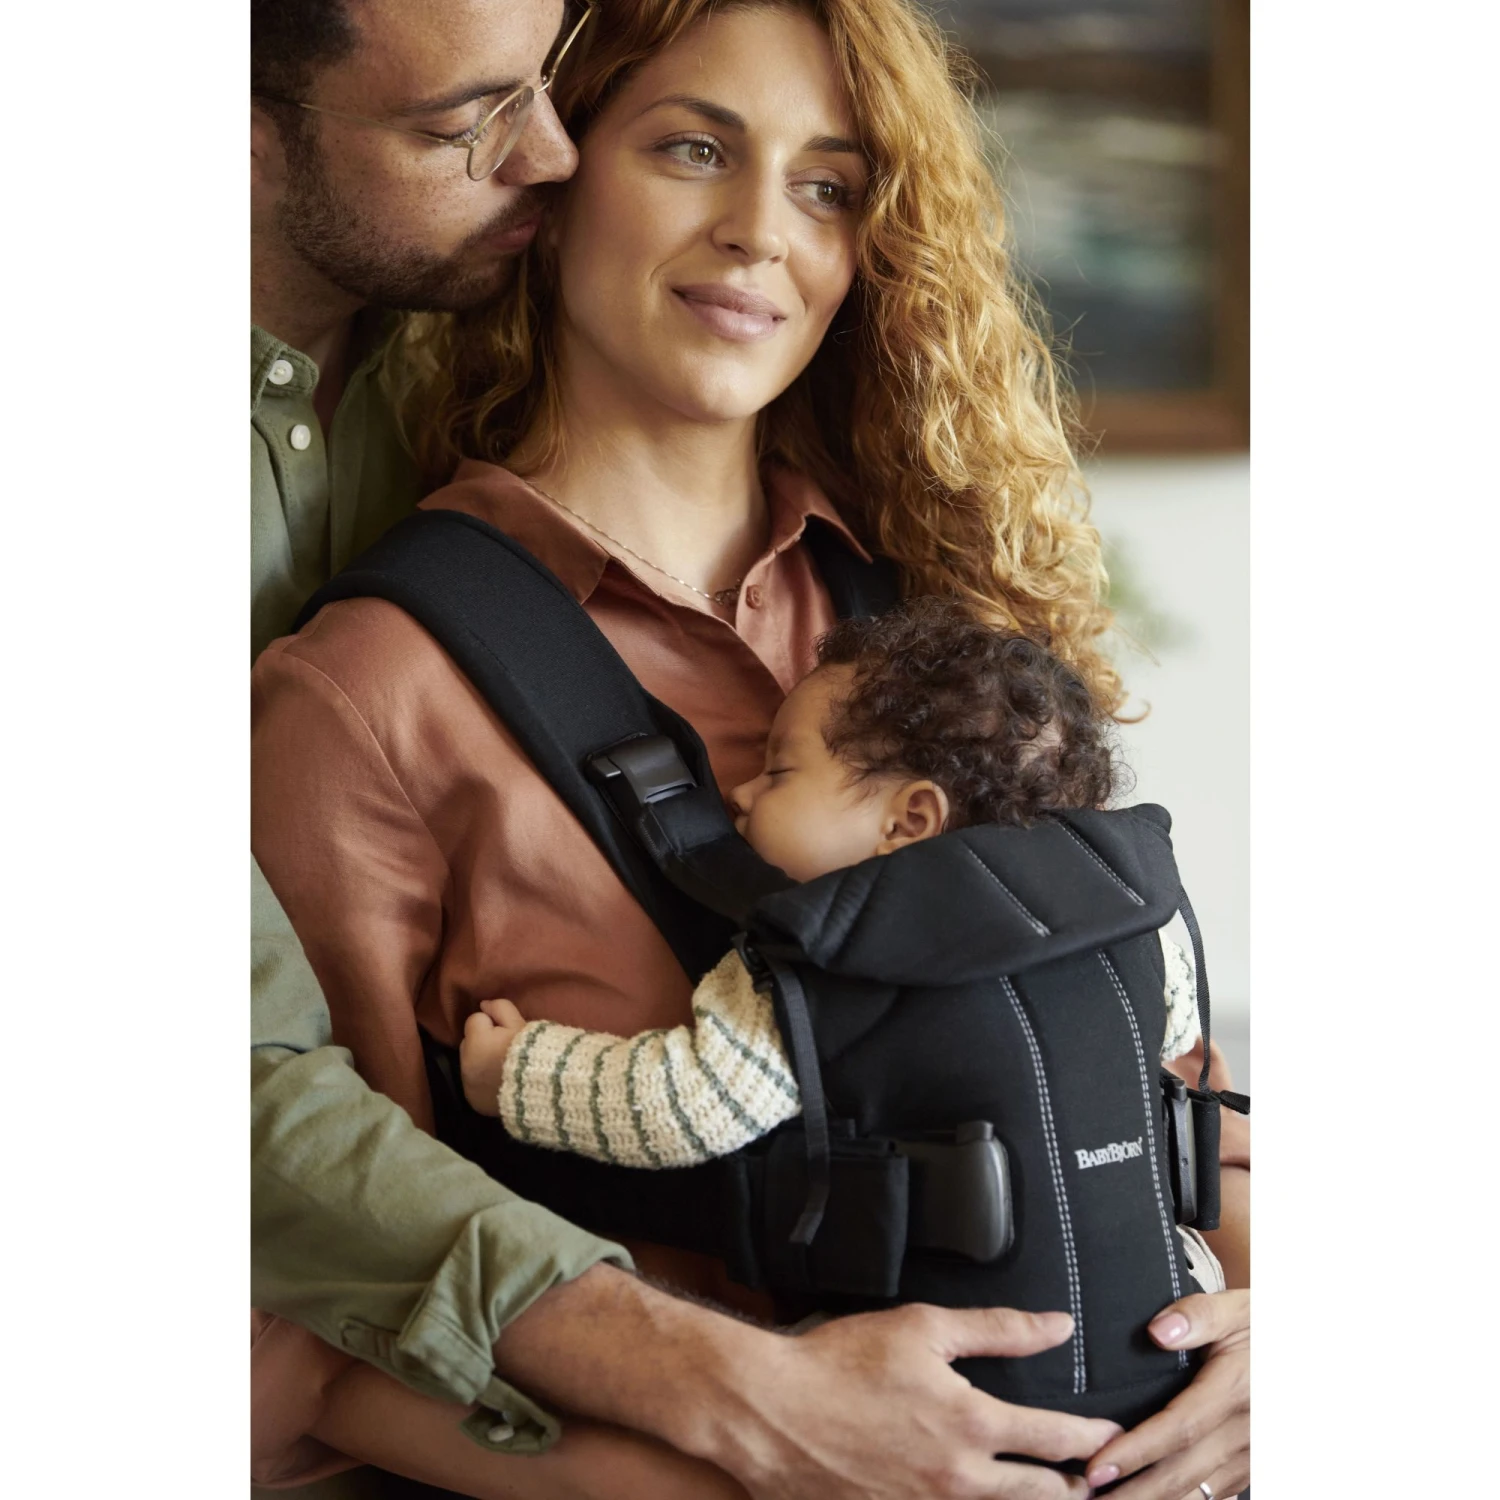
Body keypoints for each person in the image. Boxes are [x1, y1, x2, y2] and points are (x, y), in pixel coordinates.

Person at [252, 1, 1250, 1497]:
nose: (760, 232)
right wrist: (765, 1456)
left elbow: (1159, 1083)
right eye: (694, 149)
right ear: (560, 169)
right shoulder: (368, 695)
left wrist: (1269, 1330)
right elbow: (301, 1322)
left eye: (827, 185)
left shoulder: (942, 627)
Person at [457, 599, 1209, 1193]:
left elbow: (684, 1106)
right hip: (1154, 1286)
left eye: (779, 772)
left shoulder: (822, 955)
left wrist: (515, 1073)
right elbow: (1178, 1036)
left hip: (950, 1314)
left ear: (909, 821)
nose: (740, 793)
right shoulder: (1129, 923)